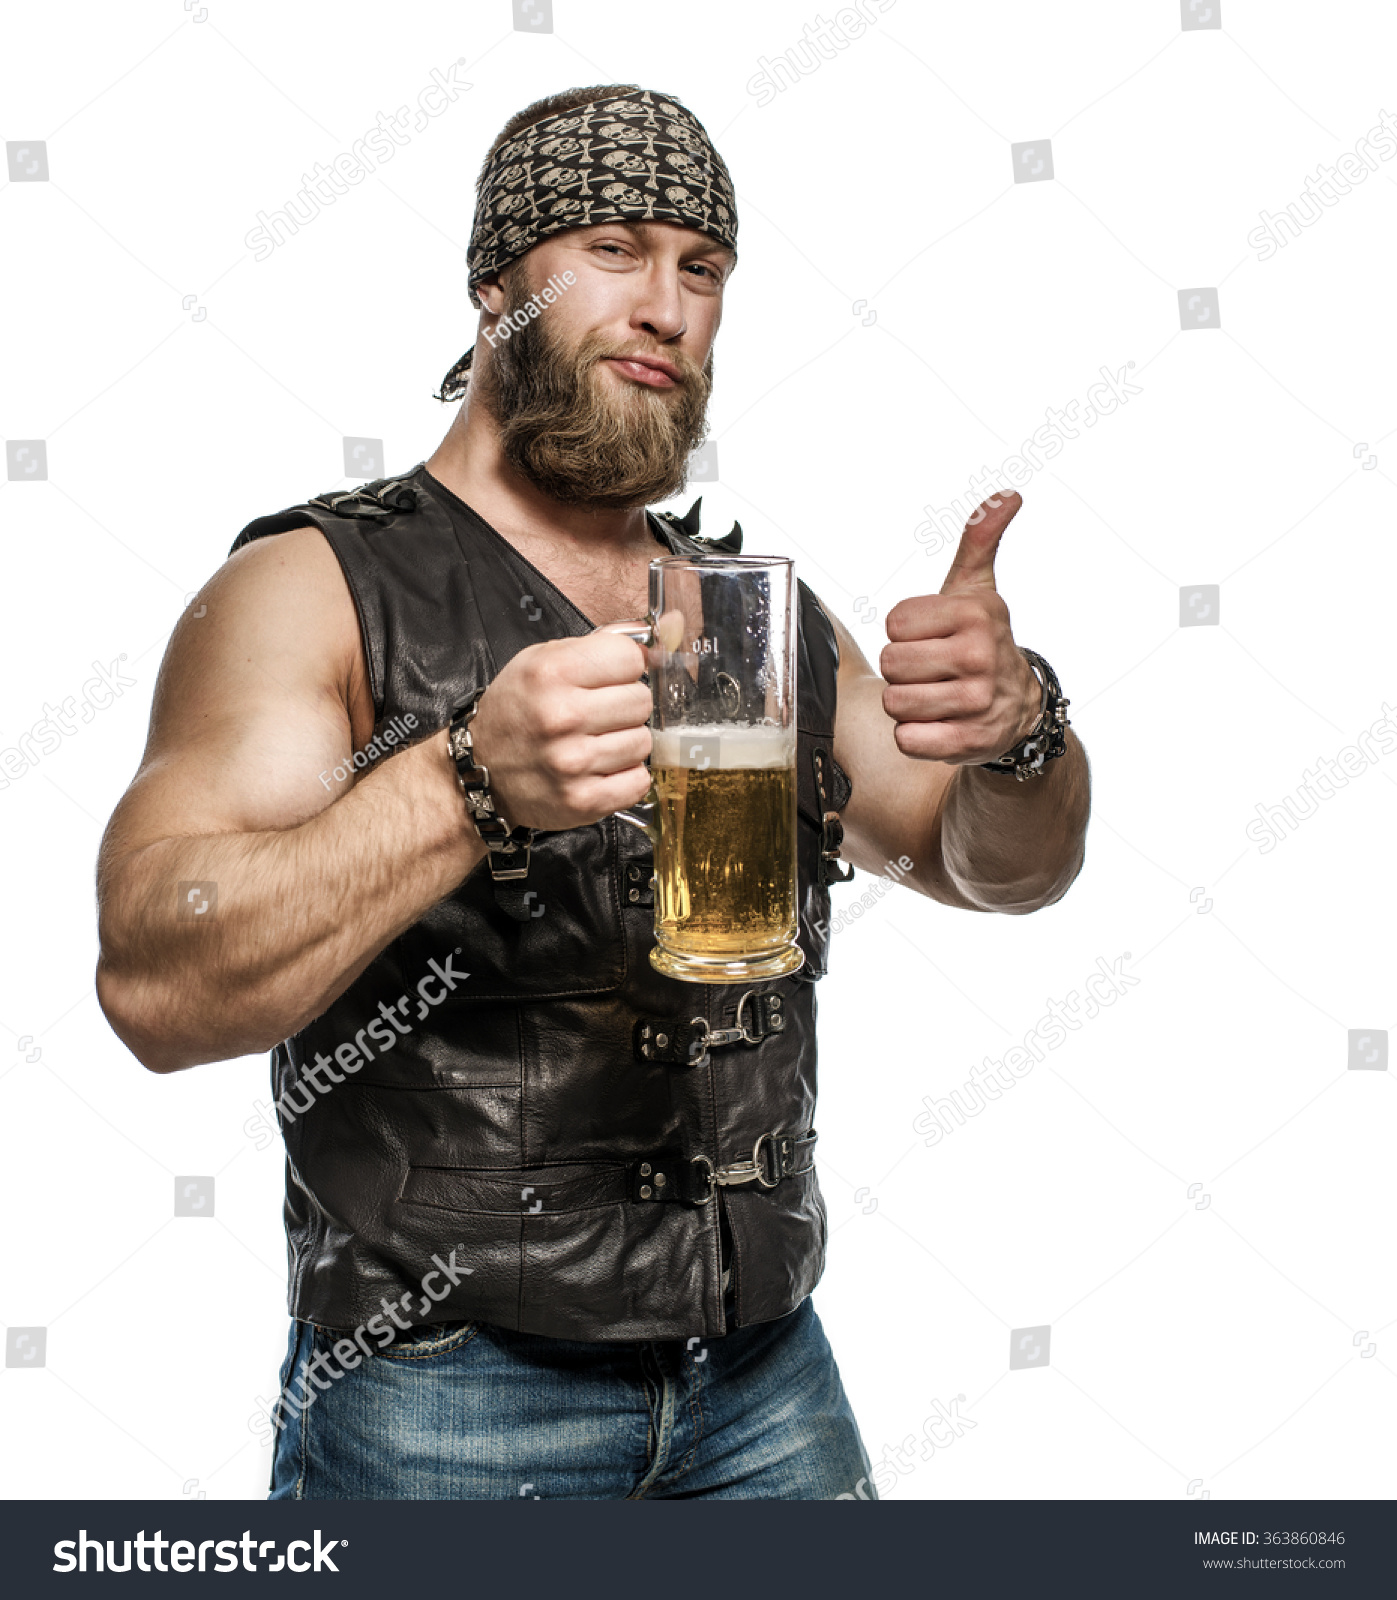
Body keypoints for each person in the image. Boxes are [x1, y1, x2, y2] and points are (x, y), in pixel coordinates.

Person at [94, 84, 1090, 1500]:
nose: (668, 307)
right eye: (614, 248)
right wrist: (461, 785)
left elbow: (993, 865)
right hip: (444, 1395)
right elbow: (154, 983)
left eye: (704, 267)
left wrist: (1017, 731)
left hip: (762, 1374)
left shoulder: (753, 616)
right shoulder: (315, 590)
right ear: (496, 288)